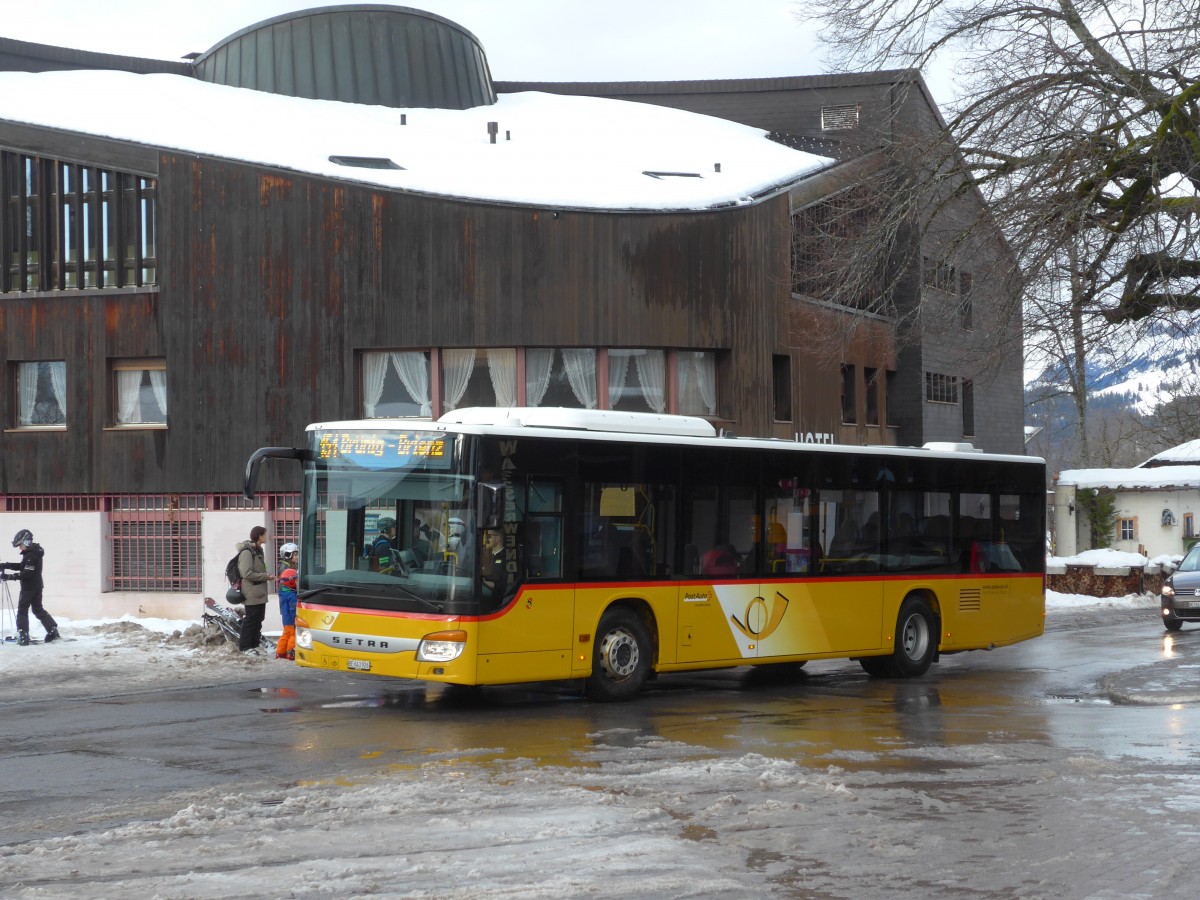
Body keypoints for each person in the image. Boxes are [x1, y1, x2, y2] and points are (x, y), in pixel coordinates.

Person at [1, 529, 59, 646]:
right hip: (37, 586)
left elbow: (27, 573)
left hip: (29, 587)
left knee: (22, 610)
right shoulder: (33, 553)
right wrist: (6, 565)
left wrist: (10, 576)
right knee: (38, 610)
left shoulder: (30, 555)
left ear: (26, 542)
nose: (19, 548)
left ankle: (23, 636)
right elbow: (23, 567)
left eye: (20, 545)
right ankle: (53, 630)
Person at [236, 525, 275, 655]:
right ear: (259, 536)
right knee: (251, 620)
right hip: (251, 592)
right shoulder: (247, 552)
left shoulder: (258, 550)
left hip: (259, 592)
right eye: (265, 534)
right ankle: (245, 647)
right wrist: (266, 576)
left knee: (259, 618)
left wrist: (266, 575)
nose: (267, 536)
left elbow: (258, 570)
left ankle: (255, 644)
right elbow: (246, 573)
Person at [275, 542, 299, 660]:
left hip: (284, 609)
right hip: (290, 610)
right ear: (288, 555)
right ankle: (291, 651)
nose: (297, 557)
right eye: (295, 555)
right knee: (293, 632)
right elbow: (293, 606)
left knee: (286, 632)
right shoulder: (288, 570)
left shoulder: (284, 567)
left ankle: (280, 651)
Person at [480, 527, 504, 596]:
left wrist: (484, 581)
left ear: (498, 538)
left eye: (488, 536)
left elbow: (503, 584)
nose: (485, 539)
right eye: (485, 536)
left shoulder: (505, 557)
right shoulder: (488, 556)